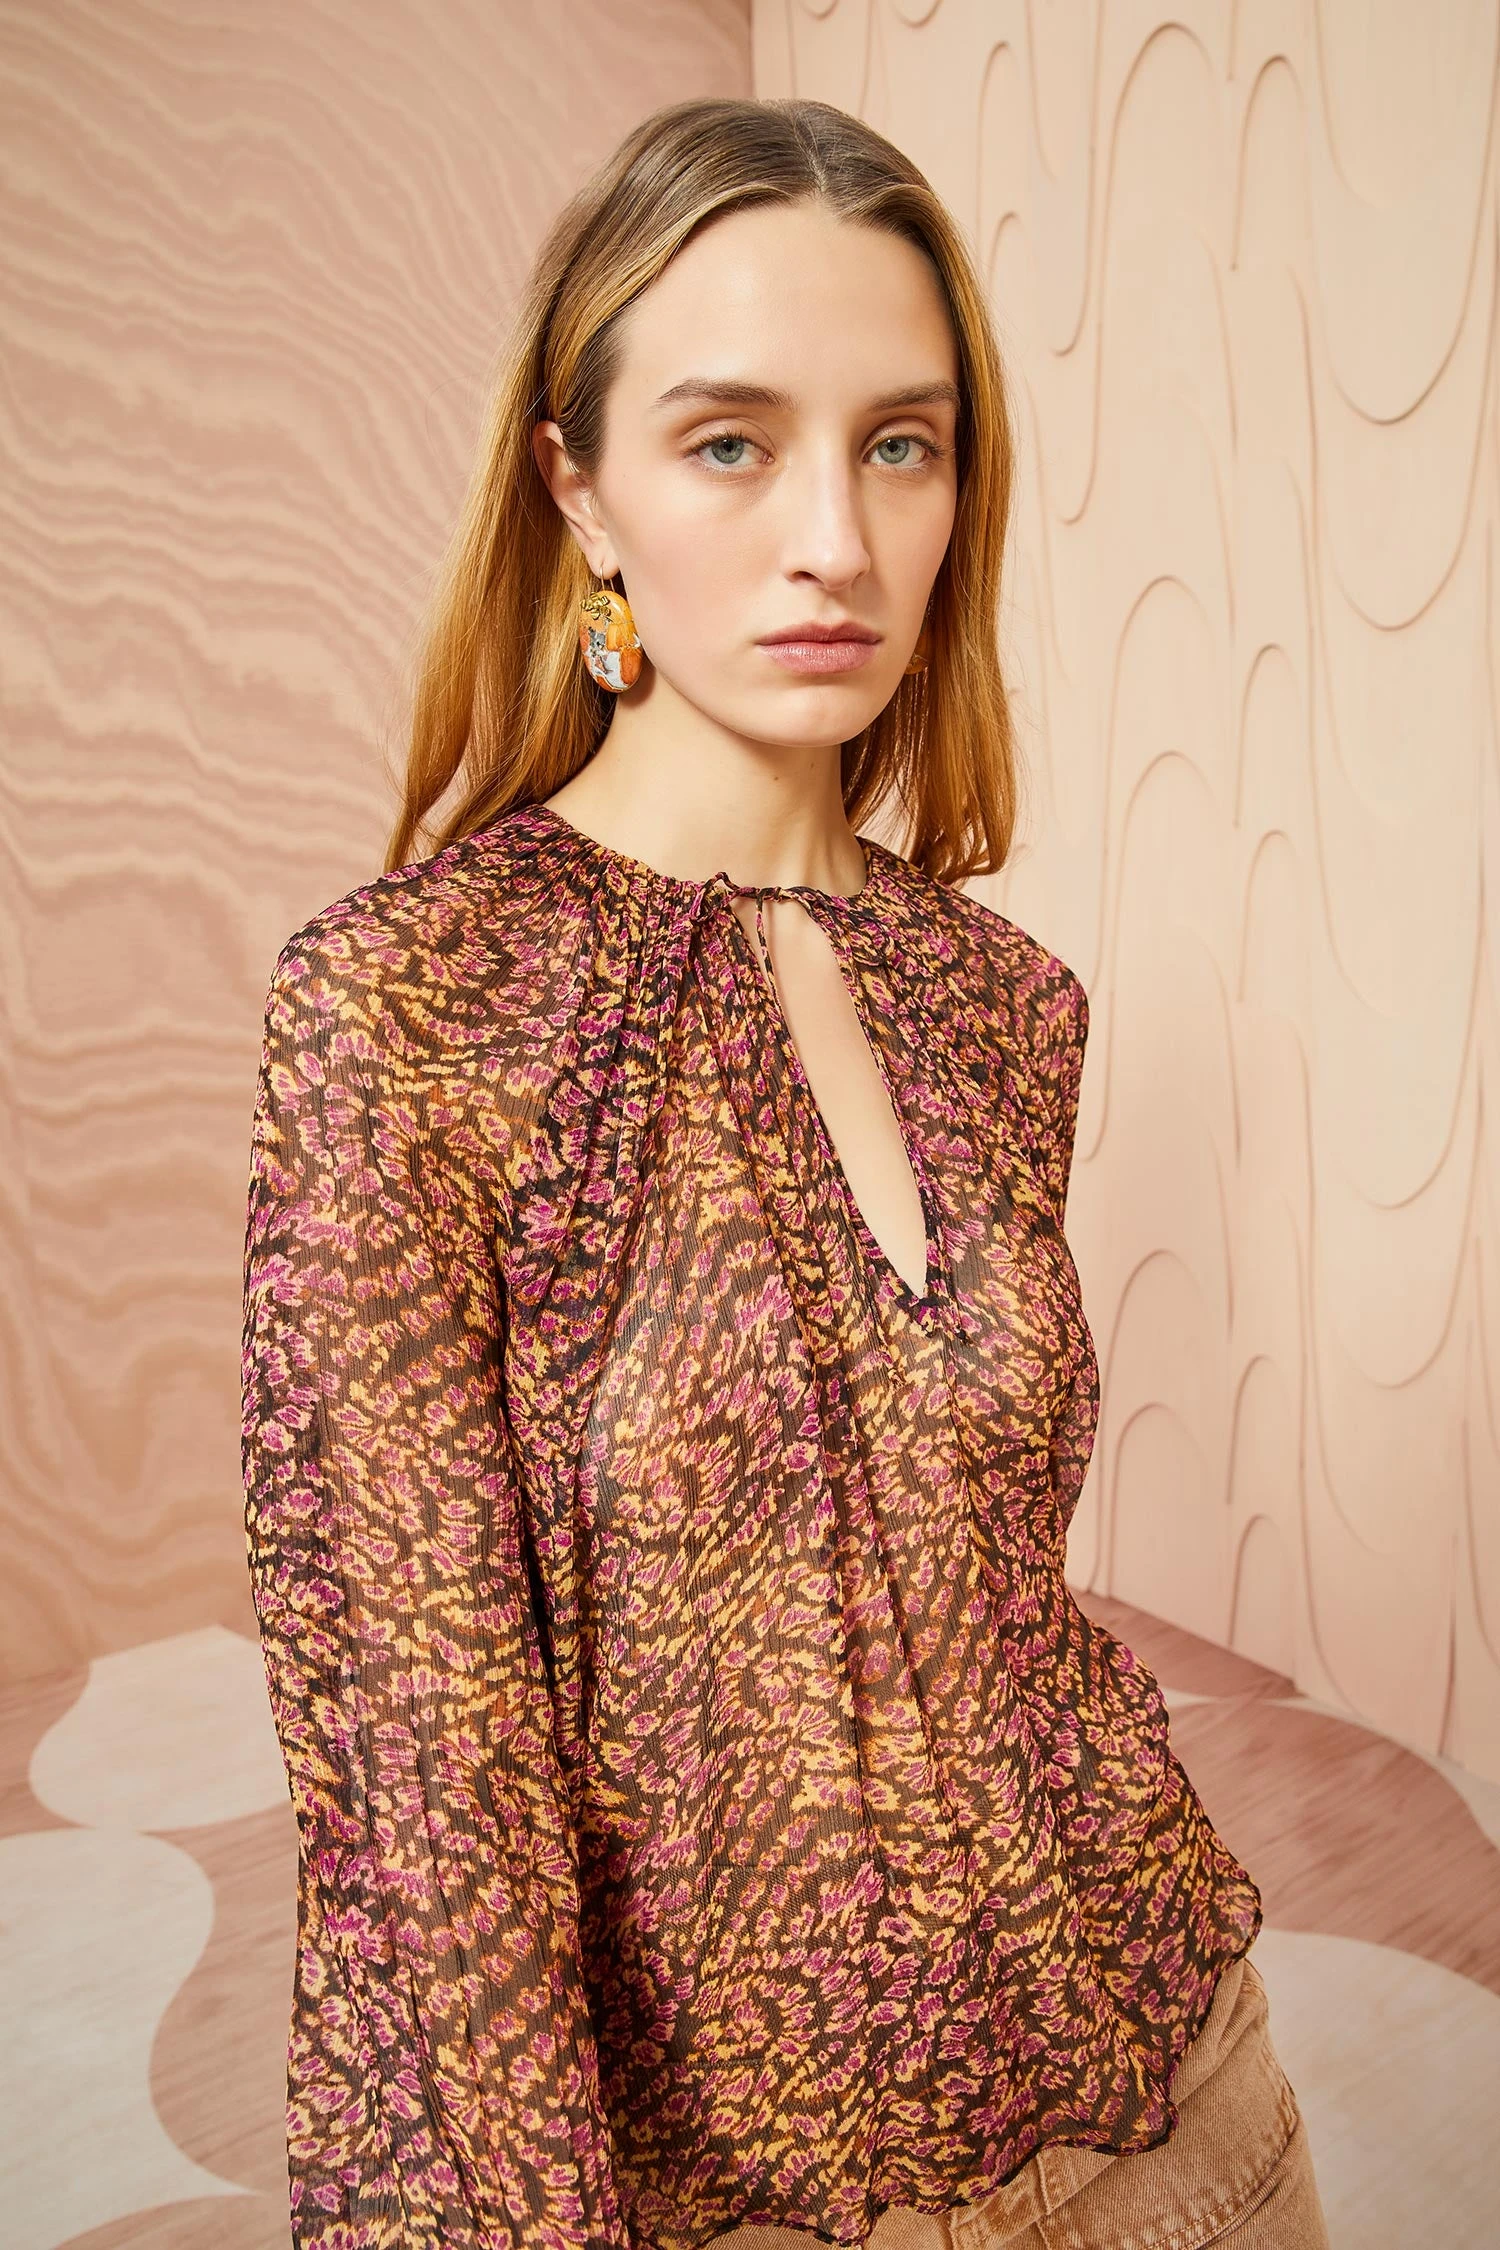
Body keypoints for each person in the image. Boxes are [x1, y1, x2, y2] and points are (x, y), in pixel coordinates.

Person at [240, 95, 1330, 2250]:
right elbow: (423, 1792)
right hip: (739, 2180)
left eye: (900, 445)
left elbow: (973, 1578)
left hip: (1177, 2080)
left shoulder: (1002, 998)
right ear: (581, 490)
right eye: (732, 441)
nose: (835, 537)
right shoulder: (405, 1006)